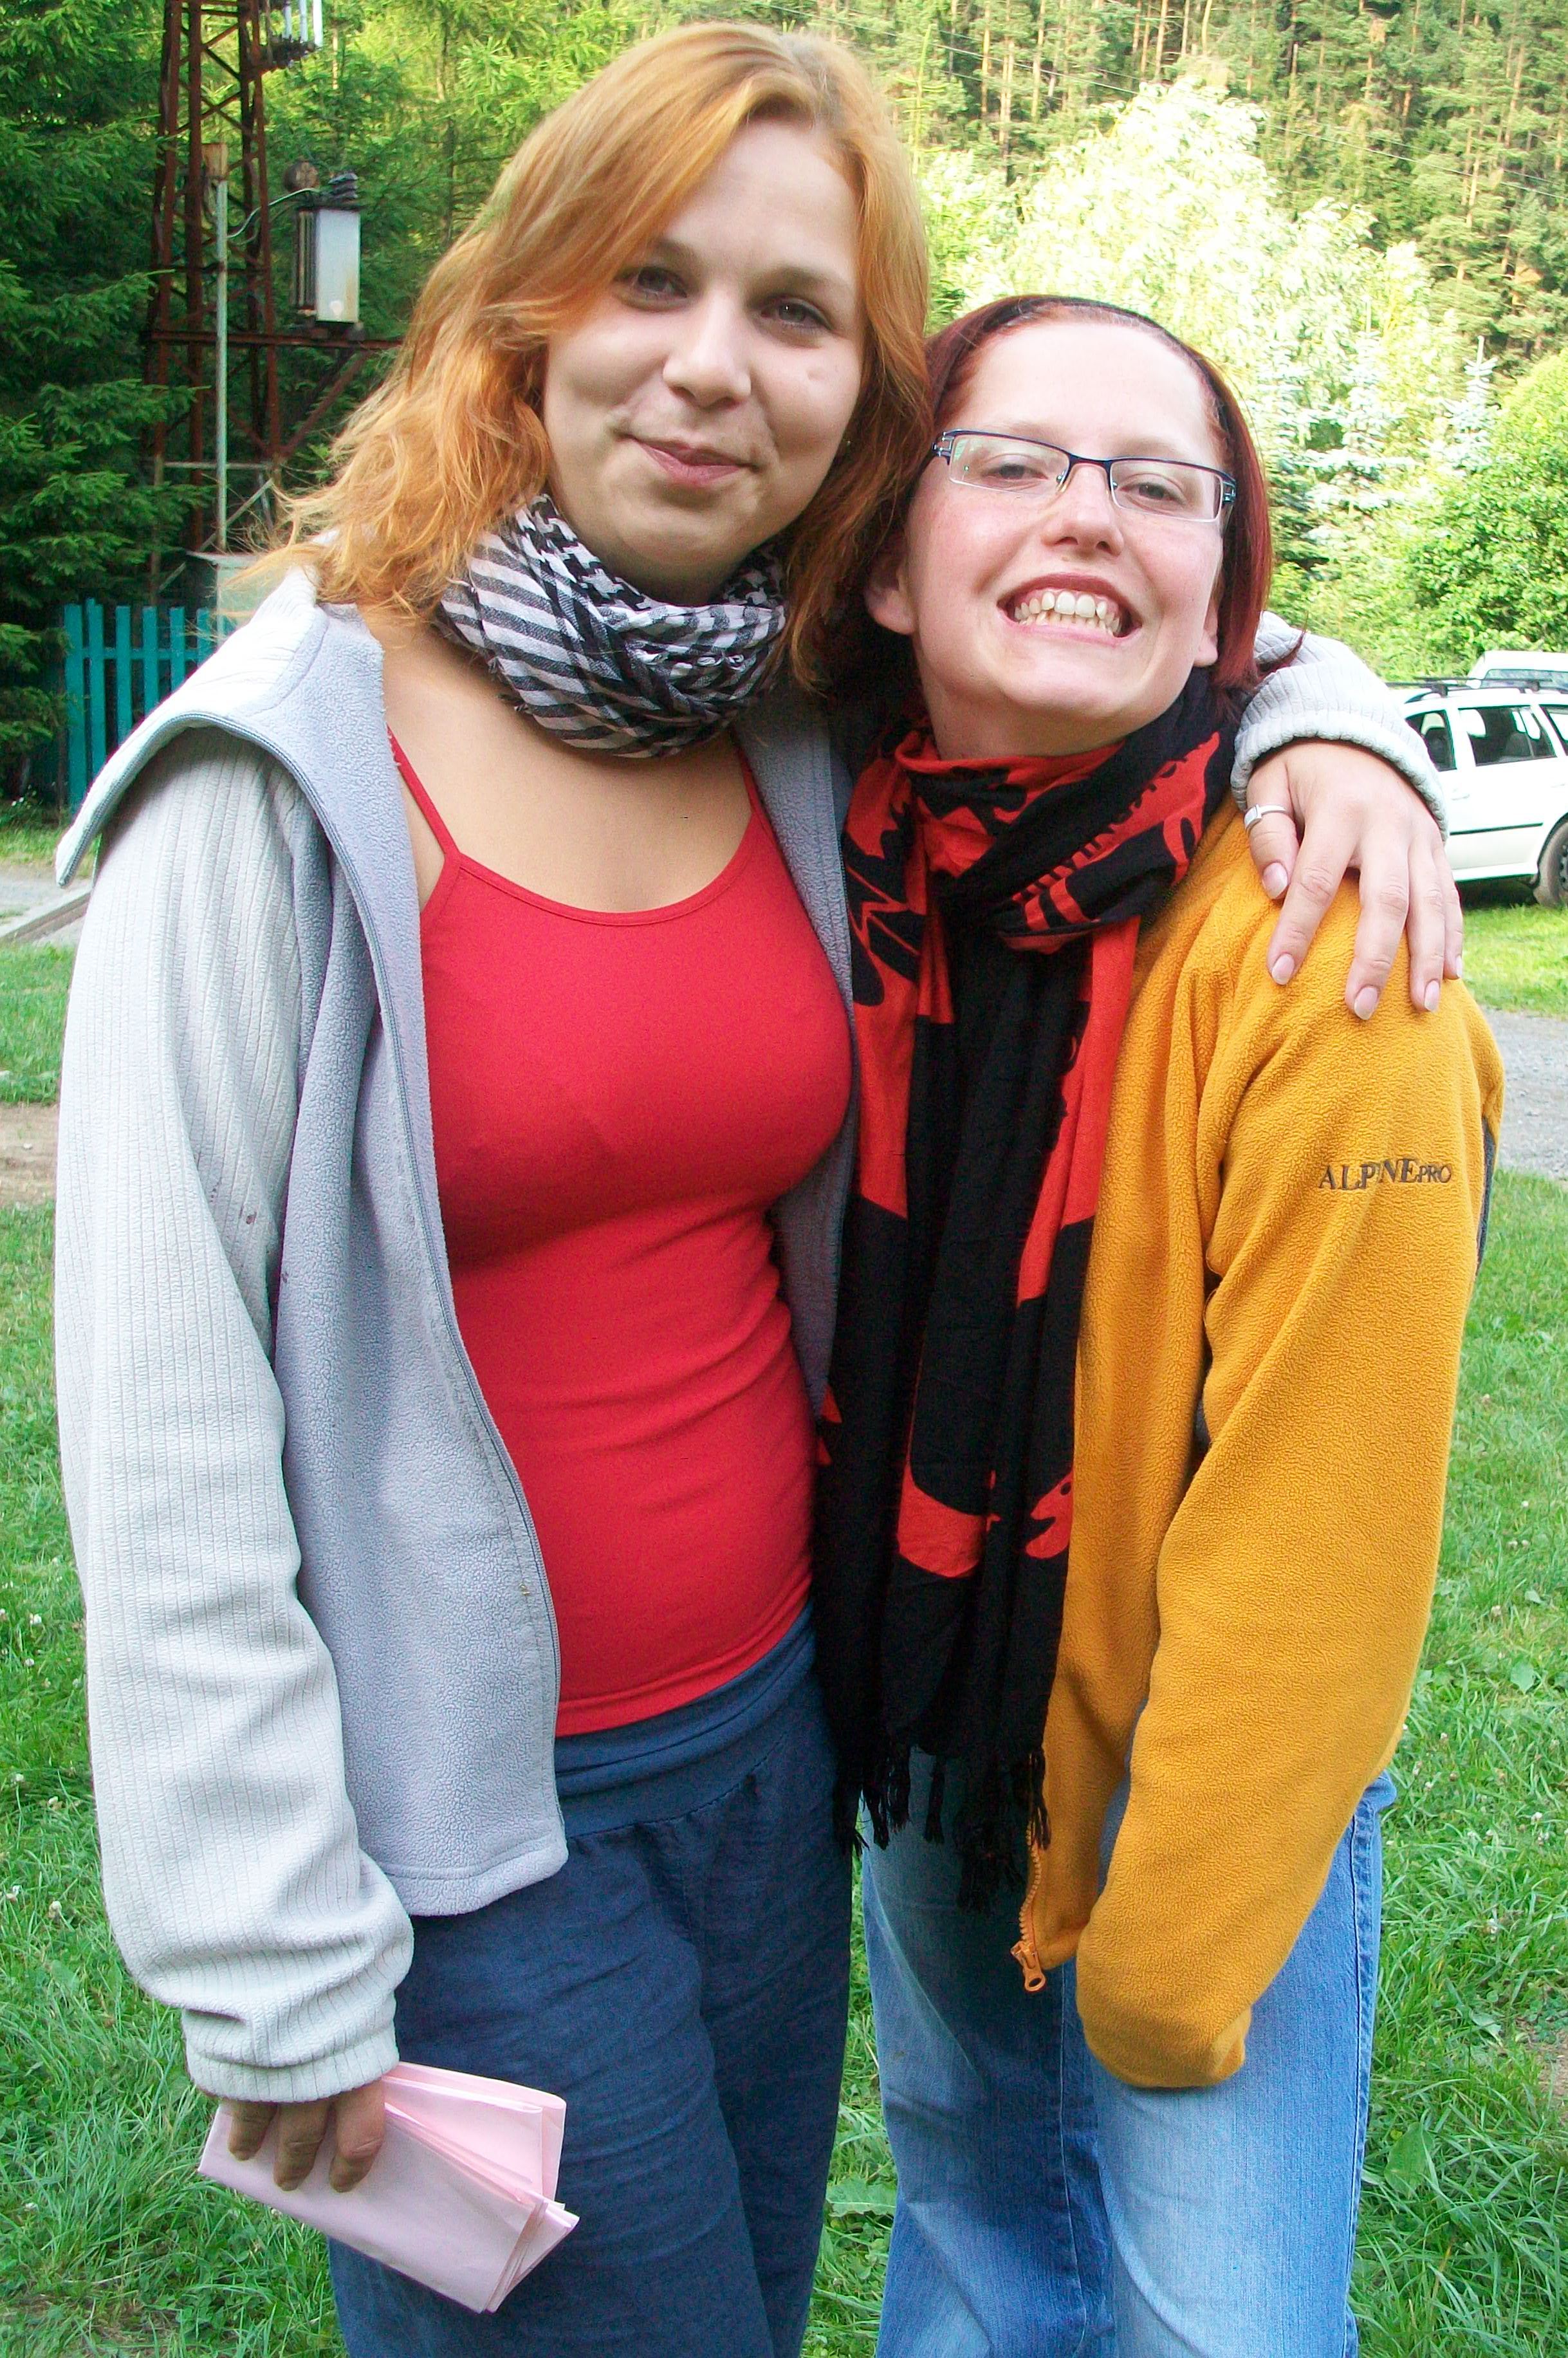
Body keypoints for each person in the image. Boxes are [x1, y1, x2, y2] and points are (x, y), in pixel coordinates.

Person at [56, 24, 1456, 2357]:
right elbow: (160, 1420)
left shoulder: (787, 722)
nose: (714, 365)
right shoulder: (281, 774)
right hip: (467, 1824)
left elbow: (1126, 607)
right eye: (650, 279)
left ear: (856, 412)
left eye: (795, 311)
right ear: (524, 319)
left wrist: (1344, 724)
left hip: (784, 1758)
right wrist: (258, 1939)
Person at [812, 292, 1504, 2358]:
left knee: (1214, 2328)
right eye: (1012, 462)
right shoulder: (855, 851)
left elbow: (1318, 1542)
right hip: (951, 1716)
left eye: (1157, 486)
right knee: (973, 2242)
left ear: (1227, 600)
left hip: (1211, 1786)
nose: (1085, 516)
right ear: (887, 556)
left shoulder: (1332, 955)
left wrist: (1174, 1964)